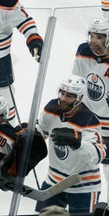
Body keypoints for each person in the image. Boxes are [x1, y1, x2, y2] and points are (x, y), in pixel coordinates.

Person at [35, 75, 107, 214]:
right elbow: (42, 130)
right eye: (62, 92)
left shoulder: (89, 120)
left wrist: (78, 142)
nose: (63, 98)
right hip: (54, 181)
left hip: (84, 186)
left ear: (79, 98)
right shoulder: (51, 108)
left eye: (69, 95)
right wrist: (28, 132)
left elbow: (99, 155)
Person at [71, 17, 109, 203]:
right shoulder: (83, 50)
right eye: (92, 35)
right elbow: (76, 81)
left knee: (108, 166)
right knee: (82, 160)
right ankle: (82, 200)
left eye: (100, 36)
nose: (94, 40)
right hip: (87, 121)